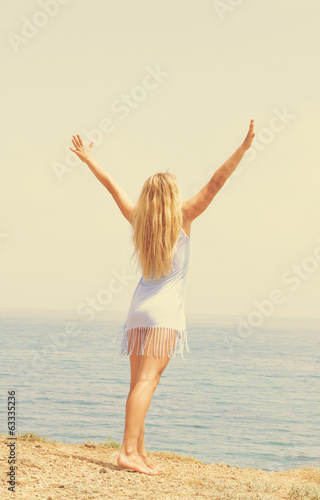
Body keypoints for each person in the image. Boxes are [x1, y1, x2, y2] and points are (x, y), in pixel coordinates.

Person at [69, 119, 255, 475]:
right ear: (171, 196)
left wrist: (89, 158)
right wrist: (243, 149)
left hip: (138, 309)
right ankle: (126, 452)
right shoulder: (184, 216)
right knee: (147, 382)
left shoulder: (138, 218)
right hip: (163, 313)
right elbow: (217, 181)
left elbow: (112, 187)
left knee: (137, 382)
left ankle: (137, 451)